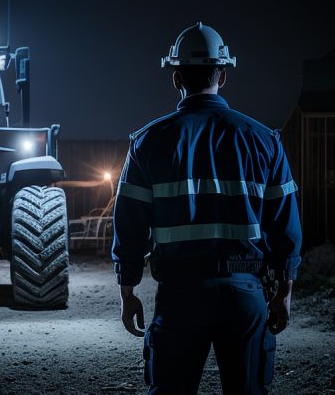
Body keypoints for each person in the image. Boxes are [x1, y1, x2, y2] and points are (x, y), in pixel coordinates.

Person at [111, 22, 302, 394]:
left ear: (176, 78)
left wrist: (127, 290)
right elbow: (285, 223)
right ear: (224, 75)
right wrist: (284, 291)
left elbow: (129, 225)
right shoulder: (264, 141)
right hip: (245, 294)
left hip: (180, 295)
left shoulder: (147, 142)